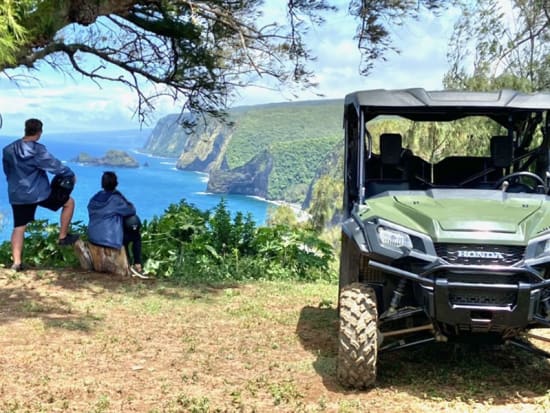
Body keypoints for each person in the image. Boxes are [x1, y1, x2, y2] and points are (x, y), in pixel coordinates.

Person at [2, 118, 79, 271]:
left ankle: (16, 263)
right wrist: (70, 174)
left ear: (25, 130)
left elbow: (7, 171)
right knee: (69, 203)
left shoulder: (8, 149)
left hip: (18, 194)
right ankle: (63, 237)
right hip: (39, 193)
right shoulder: (37, 150)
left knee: (19, 227)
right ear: (39, 132)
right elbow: (55, 166)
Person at [87, 171, 144, 277]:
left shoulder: (94, 198)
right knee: (135, 235)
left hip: (93, 238)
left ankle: (128, 261)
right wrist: (120, 195)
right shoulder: (116, 199)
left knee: (124, 232)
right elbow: (131, 210)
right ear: (116, 184)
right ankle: (137, 264)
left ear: (102, 184)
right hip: (109, 240)